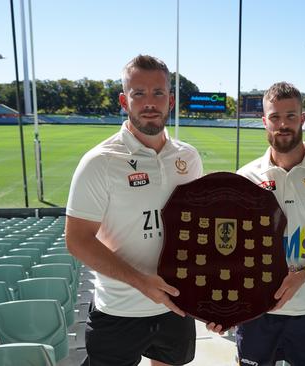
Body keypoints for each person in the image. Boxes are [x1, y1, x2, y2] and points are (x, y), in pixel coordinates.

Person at [209, 82, 305, 366]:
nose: (283, 124)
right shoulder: (246, 176)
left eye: (291, 116)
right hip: (255, 310)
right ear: (264, 121)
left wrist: (303, 274)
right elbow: (230, 247)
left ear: (303, 118)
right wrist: (223, 304)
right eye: (275, 117)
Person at [65, 54, 202, 366]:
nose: (149, 102)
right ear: (124, 101)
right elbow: (77, 240)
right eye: (138, 93)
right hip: (118, 309)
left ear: (171, 100)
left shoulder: (189, 158)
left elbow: (195, 229)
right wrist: (142, 282)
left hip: (175, 306)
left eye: (158, 93)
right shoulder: (100, 162)